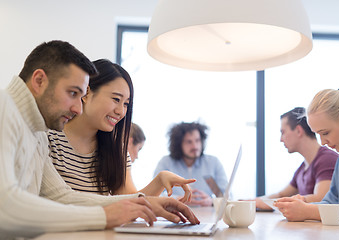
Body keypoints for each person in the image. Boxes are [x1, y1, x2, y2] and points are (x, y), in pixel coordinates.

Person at [0, 41, 199, 239]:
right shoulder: (4, 108)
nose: (78, 108)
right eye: (72, 93)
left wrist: (140, 203)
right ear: (39, 80)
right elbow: (5, 209)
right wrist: (104, 216)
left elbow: (62, 196)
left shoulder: (37, 133)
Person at [48, 59, 195, 201]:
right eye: (116, 99)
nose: (121, 111)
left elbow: (129, 203)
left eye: (126, 104)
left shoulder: (116, 150)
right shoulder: (49, 139)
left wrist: (160, 181)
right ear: (86, 93)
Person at [275, 84, 339, 223]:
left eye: (325, 133)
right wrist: (303, 206)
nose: (323, 142)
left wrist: (309, 211)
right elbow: (331, 201)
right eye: (318, 134)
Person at [256, 107, 338, 210]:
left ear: (299, 131)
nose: (281, 139)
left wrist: (276, 203)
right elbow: (281, 194)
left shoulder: (327, 159)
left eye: (283, 132)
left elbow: (321, 198)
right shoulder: (302, 168)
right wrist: (255, 201)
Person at [154, 121, 228, 206]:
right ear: (179, 144)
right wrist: (177, 199)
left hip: (207, 214)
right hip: (176, 213)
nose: (195, 146)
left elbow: (227, 197)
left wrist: (211, 202)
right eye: (189, 142)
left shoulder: (213, 163)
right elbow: (154, 196)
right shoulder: (166, 163)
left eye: (197, 140)